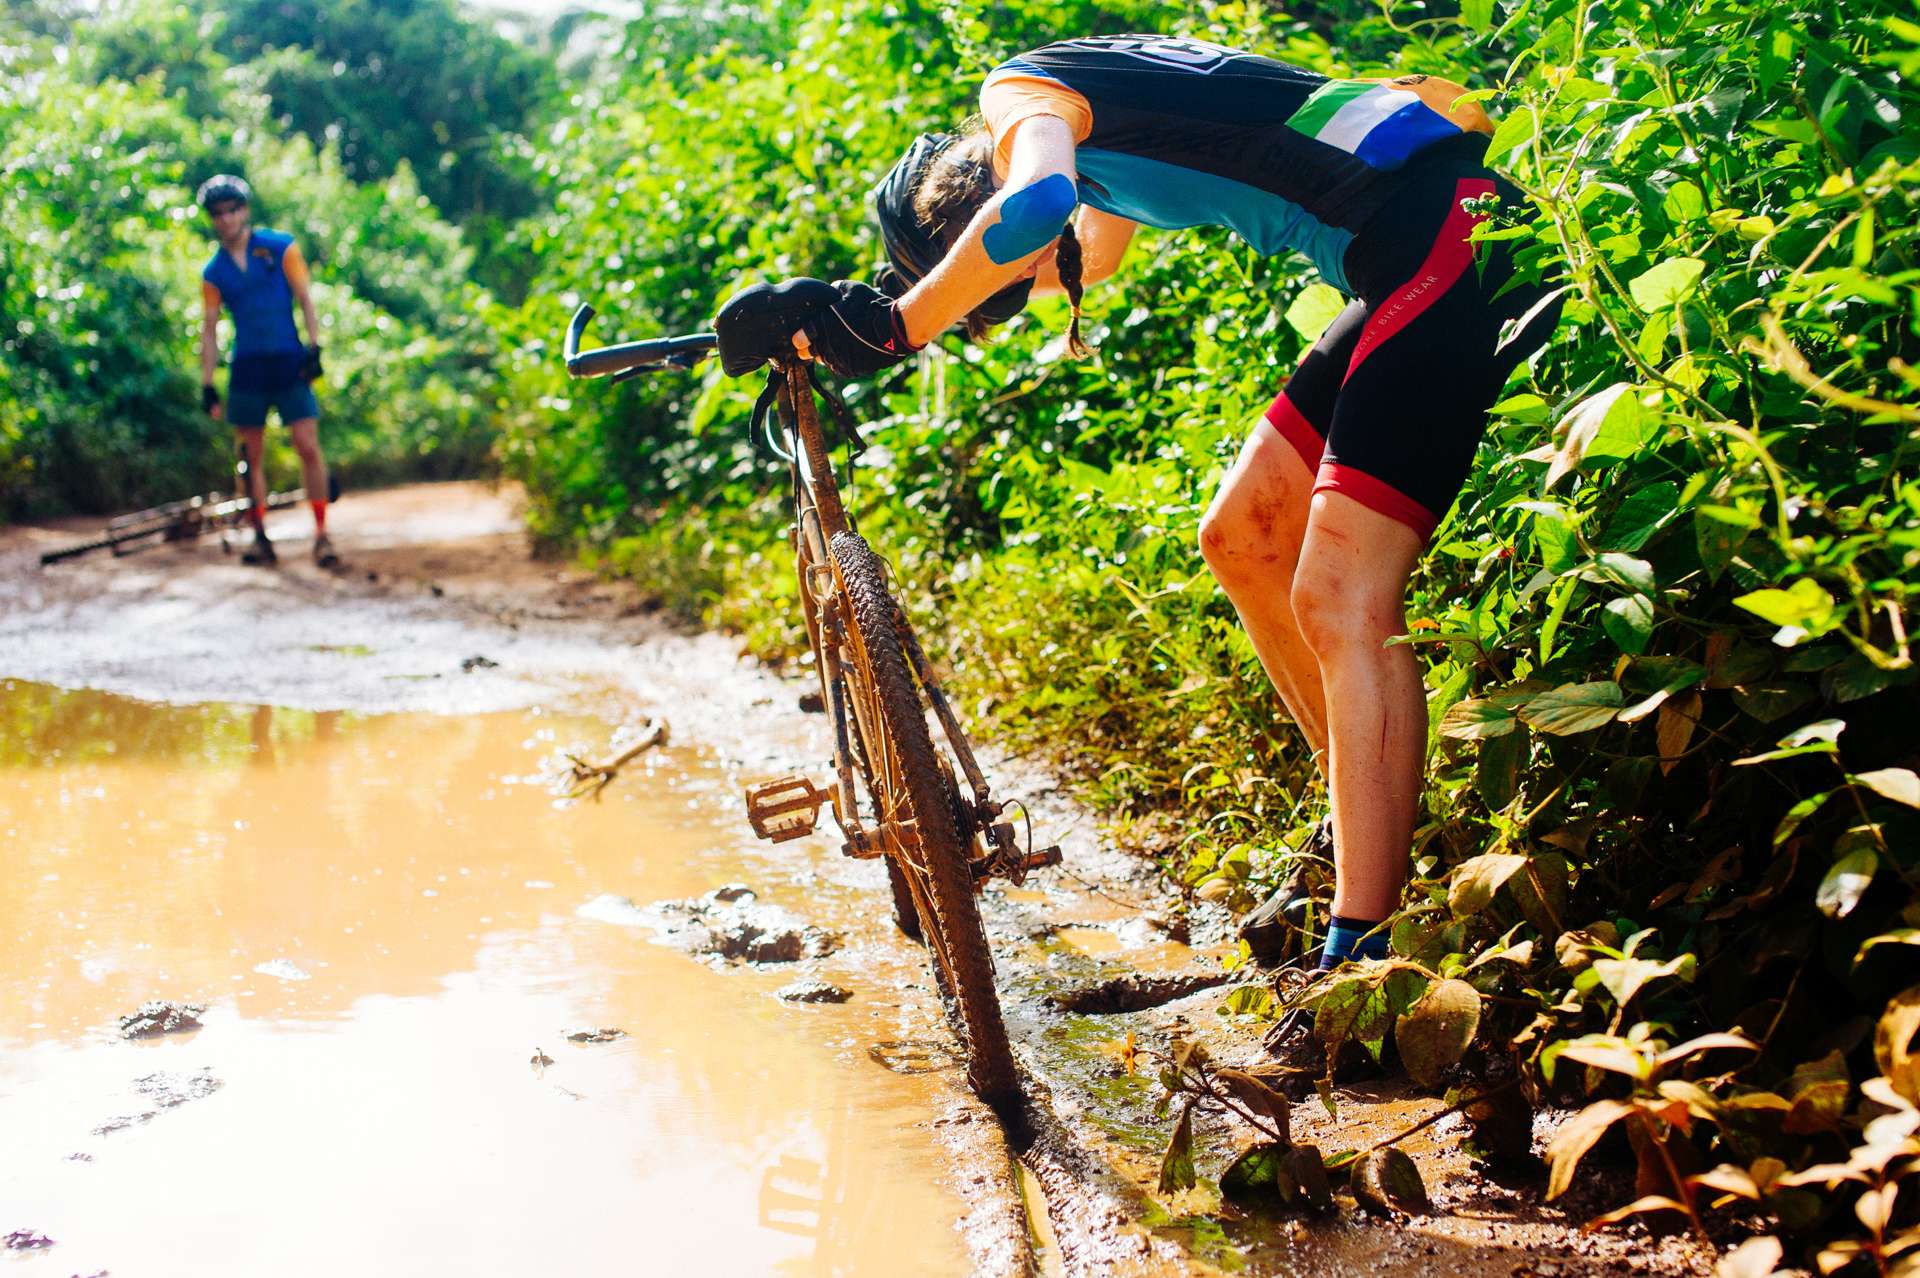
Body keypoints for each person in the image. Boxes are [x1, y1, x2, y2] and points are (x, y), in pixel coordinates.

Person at [714, 35, 1561, 989]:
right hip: (1412, 242)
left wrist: (906, 320)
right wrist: (889, 305)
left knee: (1339, 598)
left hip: (1449, 237)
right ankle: (1368, 813)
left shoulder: (1022, 97)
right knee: (1242, 534)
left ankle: (1360, 957)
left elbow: (1032, 207)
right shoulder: (1084, 123)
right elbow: (1084, 251)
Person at [197, 174, 338, 568]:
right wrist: (207, 383)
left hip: (288, 357)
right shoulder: (214, 272)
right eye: (217, 213)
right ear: (211, 218)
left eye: (231, 210)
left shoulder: (279, 247)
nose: (225, 218)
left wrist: (314, 347)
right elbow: (209, 330)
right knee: (248, 456)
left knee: (308, 445)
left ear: (244, 210)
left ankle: (323, 534)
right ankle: (260, 537)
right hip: (247, 365)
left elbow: (305, 298)